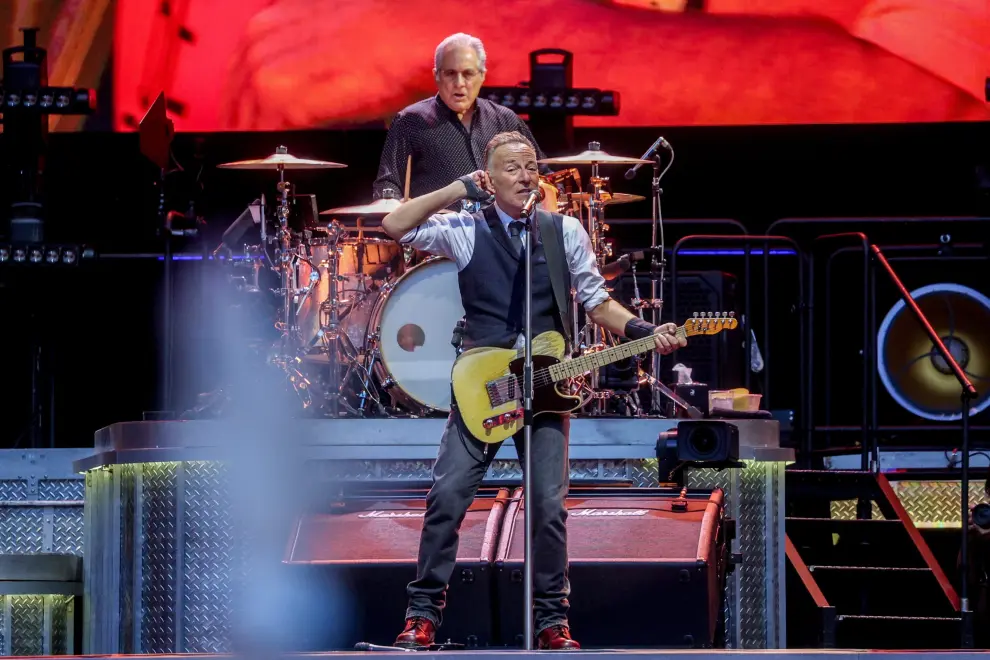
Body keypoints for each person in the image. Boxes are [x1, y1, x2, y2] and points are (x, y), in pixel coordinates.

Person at [380, 130, 687, 650]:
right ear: (490, 178)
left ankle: (551, 622)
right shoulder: (463, 228)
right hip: (483, 384)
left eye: (530, 166)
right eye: (512, 168)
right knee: (448, 496)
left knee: (549, 506)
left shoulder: (563, 230)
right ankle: (422, 615)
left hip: (547, 385)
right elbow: (394, 224)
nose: (525, 177)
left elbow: (596, 301)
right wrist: (457, 189)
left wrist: (643, 332)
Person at [372, 32, 547, 204]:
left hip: (504, 231)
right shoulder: (410, 121)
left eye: (468, 74)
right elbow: (388, 187)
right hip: (439, 230)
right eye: (450, 73)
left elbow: (543, 175)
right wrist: (392, 205)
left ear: (482, 76)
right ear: (437, 76)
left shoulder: (506, 120)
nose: (459, 83)